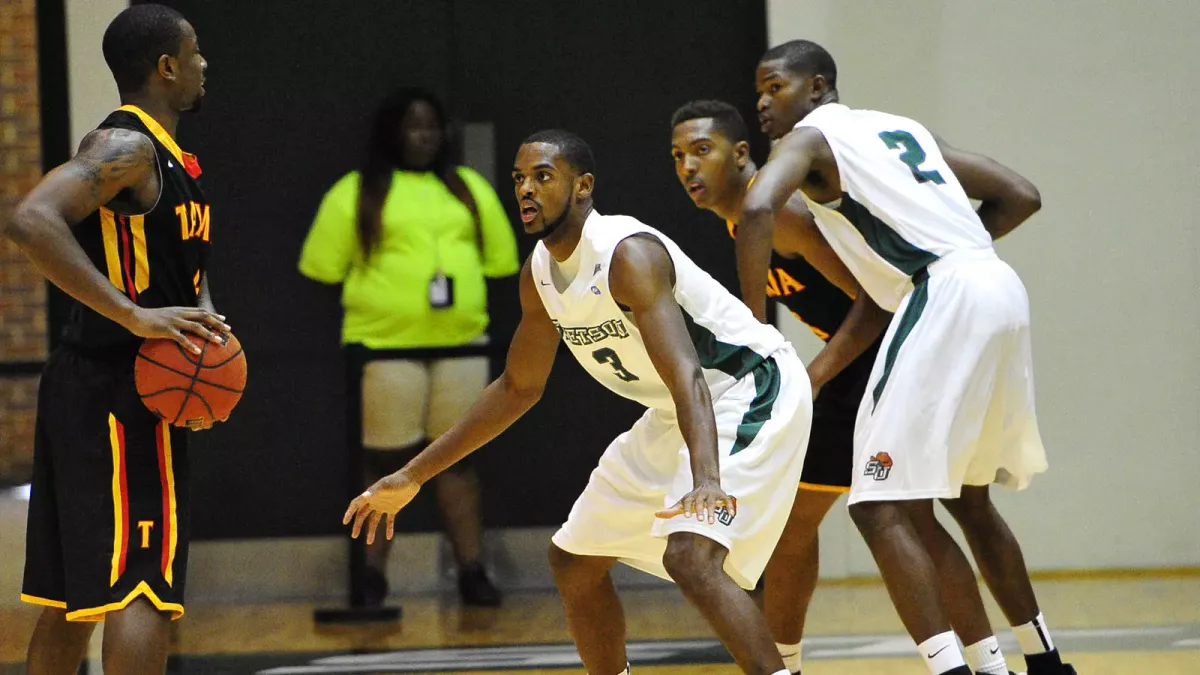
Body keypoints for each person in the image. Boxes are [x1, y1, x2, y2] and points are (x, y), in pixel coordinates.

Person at [344, 129, 812, 675]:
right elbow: (518, 388)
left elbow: (688, 373)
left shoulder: (627, 254)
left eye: (543, 177)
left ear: (583, 186)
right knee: (573, 561)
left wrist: (707, 478)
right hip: (678, 410)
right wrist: (413, 475)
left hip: (751, 388)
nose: (526, 190)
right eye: (519, 179)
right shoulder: (539, 275)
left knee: (691, 556)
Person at [738, 39, 1071, 675]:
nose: (762, 101)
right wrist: (953, 243)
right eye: (757, 90)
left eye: (774, 86)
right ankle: (1045, 662)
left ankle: (952, 670)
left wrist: (755, 328)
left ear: (817, 87)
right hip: (997, 285)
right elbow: (1021, 194)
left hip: (942, 295)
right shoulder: (901, 129)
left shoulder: (808, 140)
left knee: (876, 504)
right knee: (967, 500)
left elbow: (758, 205)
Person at [671, 99, 1023, 675]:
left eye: (701, 151)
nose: (688, 167)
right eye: (678, 156)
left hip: (879, 362)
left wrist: (809, 376)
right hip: (862, 366)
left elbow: (877, 300)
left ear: (740, 155)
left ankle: (971, 665)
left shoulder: (779, 215)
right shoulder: (747, 219)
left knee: (894, 520)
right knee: (833, 524)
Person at [2, 5, 227, 674]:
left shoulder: (171, 158)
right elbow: (31, 219)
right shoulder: (126, 146)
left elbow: (185, 273)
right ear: (166, 67)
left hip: (101, 383)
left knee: (73, 595)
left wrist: (206, 332)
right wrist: (134, 315)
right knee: (142, 584)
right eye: (195, 53)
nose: (203, 64)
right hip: (122, 390)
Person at [299, 88, 518, 607]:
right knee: (384, 462)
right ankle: (372, 578)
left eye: (432, 125)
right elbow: (321, 266)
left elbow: (504, 258)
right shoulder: (356, 191)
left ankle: (472, 572)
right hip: (382, 348)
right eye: (412, 125)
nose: (424, 135)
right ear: (390, 132)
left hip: (462, 345)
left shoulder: (467, 189)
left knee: (458, 462)